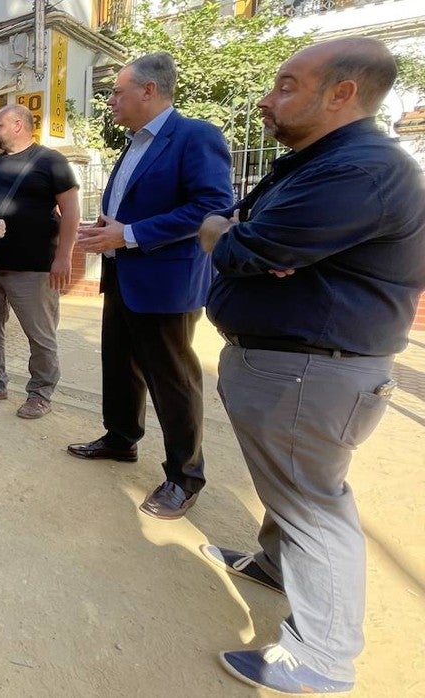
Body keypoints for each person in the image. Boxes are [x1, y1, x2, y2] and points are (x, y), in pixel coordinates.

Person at [199, 38, 425, 694]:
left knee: (312, 505)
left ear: (343, 93)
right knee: (291, 486)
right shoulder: (323, 161)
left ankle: (322, 658)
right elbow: (254, 241)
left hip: (312, 372)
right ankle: (274, 563)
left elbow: (246, 244)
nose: (268, 100)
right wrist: (239, 238)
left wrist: (226, 236)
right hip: (297, 367)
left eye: (288, 85)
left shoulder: (359, 172)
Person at [68, 52, 233, 520]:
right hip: (124, 274)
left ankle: (185, 476)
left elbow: (213, 205)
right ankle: (121, 439)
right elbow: (139, 206)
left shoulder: (195, 136)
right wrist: (110, 227)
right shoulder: (133, 144)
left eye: (118, 92)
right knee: (119, 366)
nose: (111, 101)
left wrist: (130, 234)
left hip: (167, 282)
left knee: (173, 381)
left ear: (149, 91)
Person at [0, 104, 79, 419]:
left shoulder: (51, 161)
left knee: (40, 334)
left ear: (19, 124)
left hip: (34, 267)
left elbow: (70, 210)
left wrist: (64, 256)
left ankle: (40, 394)